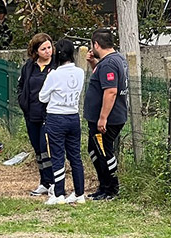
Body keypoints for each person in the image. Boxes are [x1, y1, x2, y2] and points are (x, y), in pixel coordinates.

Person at [38, 39, 86, 205]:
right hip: (73, 116)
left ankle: (59, 194)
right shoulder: (80, 72)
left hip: (56, 117)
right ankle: (80, 193)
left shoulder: (54, 75)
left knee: (58, 155)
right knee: (75, 156)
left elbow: (42, 97)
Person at [83, 28, 129, 201]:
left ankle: (111, 189)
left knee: (104, 152)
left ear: (96, 44)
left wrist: (103, 118)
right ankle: (103, 186)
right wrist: (94, 64)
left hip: (107, 120)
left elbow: (110, 91)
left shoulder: (109, 63)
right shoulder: (115, 59)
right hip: (106, 118)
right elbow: (104, 79)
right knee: (94, 149)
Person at [17, 33, 55, 197]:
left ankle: (54, 181)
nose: (47, 51)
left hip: (49, 115)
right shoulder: (29, 66)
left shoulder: (56, 66)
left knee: (46, 147)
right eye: (43, 49)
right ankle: (44, 182)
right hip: (31, 114)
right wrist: (22, 101)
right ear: (36, 51)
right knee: (38, 149)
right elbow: (21, 86)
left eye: (49, 47)